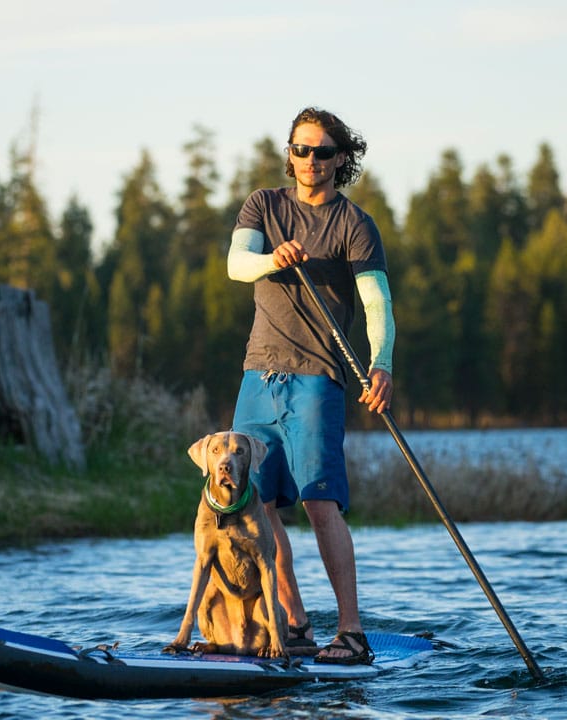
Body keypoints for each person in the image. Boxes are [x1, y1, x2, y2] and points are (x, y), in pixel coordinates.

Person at [226, 106, 395, 665]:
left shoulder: (354, 225)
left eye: (322, 152)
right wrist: (273, 258)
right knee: (259, 502)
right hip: (259, 374)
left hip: (317, 377)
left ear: (340, 159)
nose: (310, 161)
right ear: (290, 153)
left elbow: (376, 304)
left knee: (321, 502)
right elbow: (236, 264)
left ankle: (351, 633)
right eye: (301, 149)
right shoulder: (264, 205)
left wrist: (382, 363)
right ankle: (293, 623)